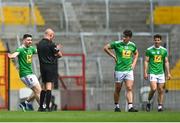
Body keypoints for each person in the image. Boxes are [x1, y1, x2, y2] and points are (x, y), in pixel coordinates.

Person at [104, 30, 139, 112]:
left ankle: (130, 107)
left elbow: (136, 53)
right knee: (118, 89)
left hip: (129, 70)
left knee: (129, 88)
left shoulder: (132, 45)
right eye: (123, 36)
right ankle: (117, 106)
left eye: (125, 37)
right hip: (119, 70)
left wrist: (134, 63)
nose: (123, 38)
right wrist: (113, 56)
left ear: (129, 38)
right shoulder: (117, 43)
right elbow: (105, 48)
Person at [8, 34, 42, 111]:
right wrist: (11, 56)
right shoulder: (21, 49)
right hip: (25, 74)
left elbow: (39, 51)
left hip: (30, 73)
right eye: (28, 40)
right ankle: (42, 107)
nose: (30, 41)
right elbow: (15, 54)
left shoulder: (31, 48)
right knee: (39, 90)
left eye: (30, 40)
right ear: (24, 40)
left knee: (37, 91)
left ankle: (24, 103)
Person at [37, 28, 62, 112]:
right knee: (49, 86)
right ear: (50, 35)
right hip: (50, 67)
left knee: (43, 87)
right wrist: (57, 49)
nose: (53, 38)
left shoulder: (39, 44)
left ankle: (41, 107)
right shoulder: (51, 44)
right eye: (52, 36)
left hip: (42, 67)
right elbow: (59, 55)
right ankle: (48, 107)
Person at [144, 34, 171, 112]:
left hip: (161, 73)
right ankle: (148, 102)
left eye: (158, 40)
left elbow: (166, 62)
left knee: (160, 90)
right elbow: (146, 61)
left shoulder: (164, 50)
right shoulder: (149, 50)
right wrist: (145, 72)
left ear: (160, 41)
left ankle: (160, 106)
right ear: (154, 40)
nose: (157, 41)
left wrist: (168, 73)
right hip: (152, 72)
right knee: (153, 88)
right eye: (155, 40)